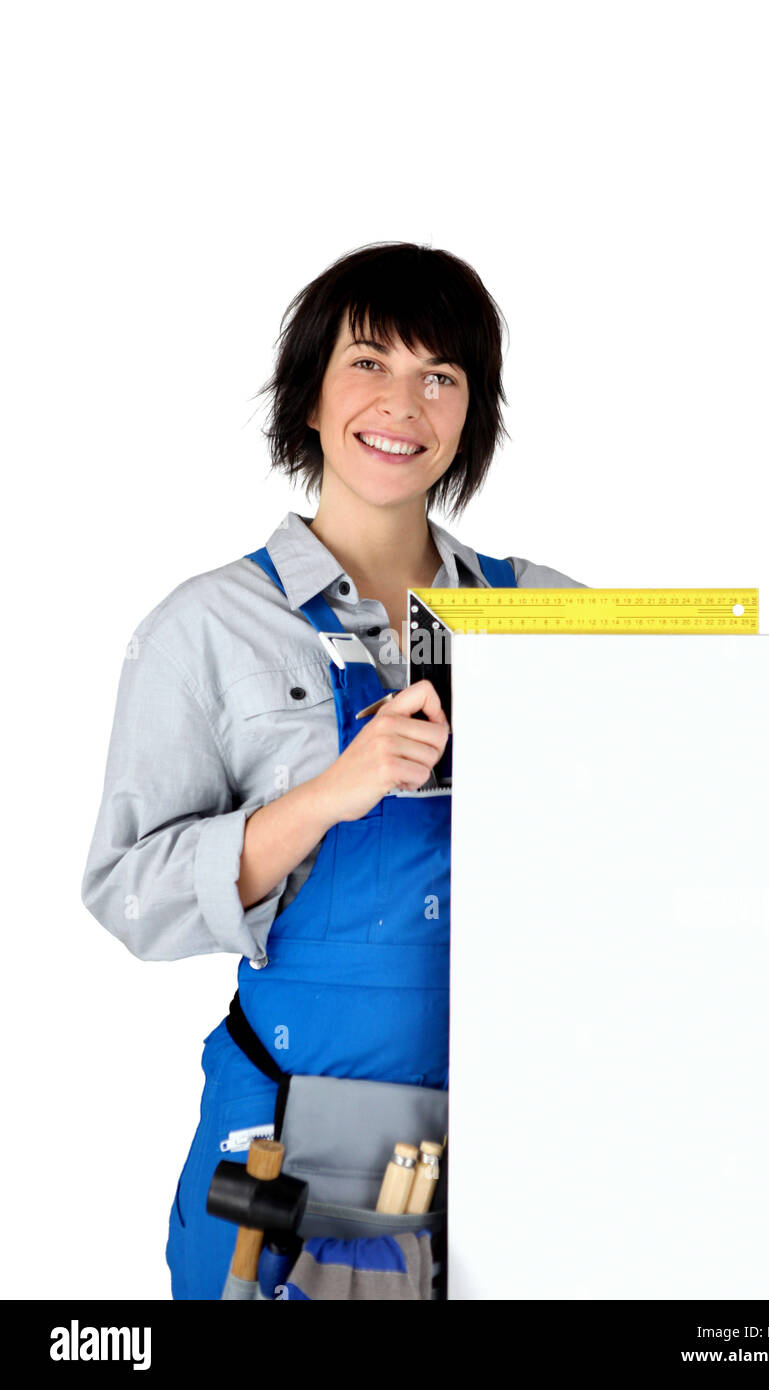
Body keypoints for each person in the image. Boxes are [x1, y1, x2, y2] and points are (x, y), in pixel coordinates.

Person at [81, 241, 587, 1299]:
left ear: (467, 415)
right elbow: (130, 895)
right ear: (309, 395)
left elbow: (706, 786)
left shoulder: (542, 614)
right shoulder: (208, 627)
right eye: (368, 363)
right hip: (290, 1149)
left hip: (521, 1141)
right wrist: (329, 794)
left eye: (438, 375)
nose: (402, 401)